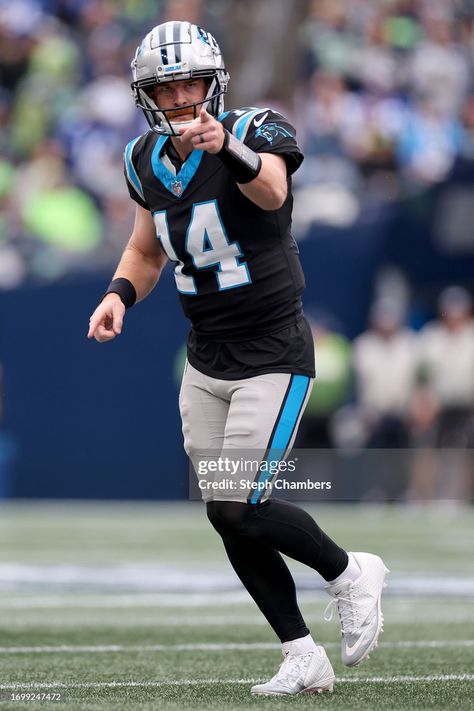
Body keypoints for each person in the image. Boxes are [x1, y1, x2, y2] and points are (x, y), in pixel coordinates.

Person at [87, 21, 389, 696]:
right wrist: (118, 296)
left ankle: (349, 571)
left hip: (273, 349)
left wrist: (226, 147)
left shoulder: (255, 128)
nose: (180, 98)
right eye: (165, 88)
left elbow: (274, 192)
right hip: (206, 358)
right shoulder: (143, 159)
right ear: (146, 97)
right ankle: (301, 651)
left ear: (214, 84)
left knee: (238, 499)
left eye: (191, 83)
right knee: (226, 509)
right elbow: (146, 249)